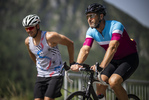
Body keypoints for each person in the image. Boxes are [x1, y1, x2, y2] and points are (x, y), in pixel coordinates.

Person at [70, 3, 139, 100]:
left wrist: (101, 66)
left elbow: (113, 47)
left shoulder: (116, 26)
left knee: (113, 82)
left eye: (92, 16)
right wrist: (78, 64)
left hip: (129, 59)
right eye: (87, 17)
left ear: (101, 16)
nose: (89, 19)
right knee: (100, 82)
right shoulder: (91, 31)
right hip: (114, 60)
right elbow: (85, 49)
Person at [22, 14, 74, 100]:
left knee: (48, 99)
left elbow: (70, 43)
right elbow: (31, 53)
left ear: (37, 26)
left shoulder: (50, 37)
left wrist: (72, 63)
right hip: (41, 74)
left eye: (31, 28)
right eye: (26, 28)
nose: (28, 31)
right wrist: (38, 65)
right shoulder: (28, 41)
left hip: (56, 73)